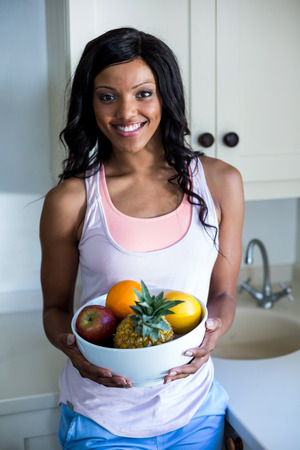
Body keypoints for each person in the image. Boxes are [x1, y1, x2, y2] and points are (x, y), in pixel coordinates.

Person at [40, 27, 244, 450]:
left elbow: (223, 294)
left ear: (165, 95)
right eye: (107, 95)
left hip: (195, 410)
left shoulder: (220, 182)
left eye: (143, 93)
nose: (126, 112)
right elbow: (56, 308)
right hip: (101, 418)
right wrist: (75, 353)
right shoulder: (71, 199)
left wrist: (214, 334)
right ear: (89, 103)